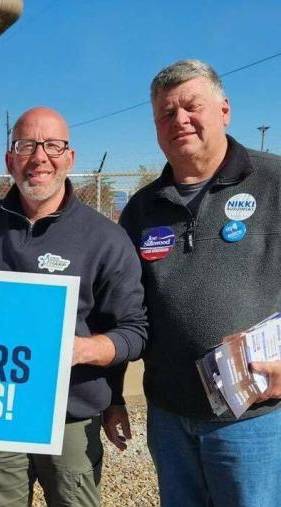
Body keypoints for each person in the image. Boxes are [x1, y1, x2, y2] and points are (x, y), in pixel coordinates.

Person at [0, 106, 147, 507]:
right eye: (26, 145)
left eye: (53, 145)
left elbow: (133, 330)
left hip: (70, 414)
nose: (40, 157)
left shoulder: (105, 238)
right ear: (9, 160)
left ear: (70, 158)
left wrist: (81, 349)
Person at [119, 59, 281, 507]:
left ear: (224, 110)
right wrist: (114, 394)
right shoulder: (142, 208)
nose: (180, 121)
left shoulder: (274, 182)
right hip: (170, 415)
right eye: (166, 114)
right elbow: (123, 309)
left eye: (192, 107)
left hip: (253, 417)